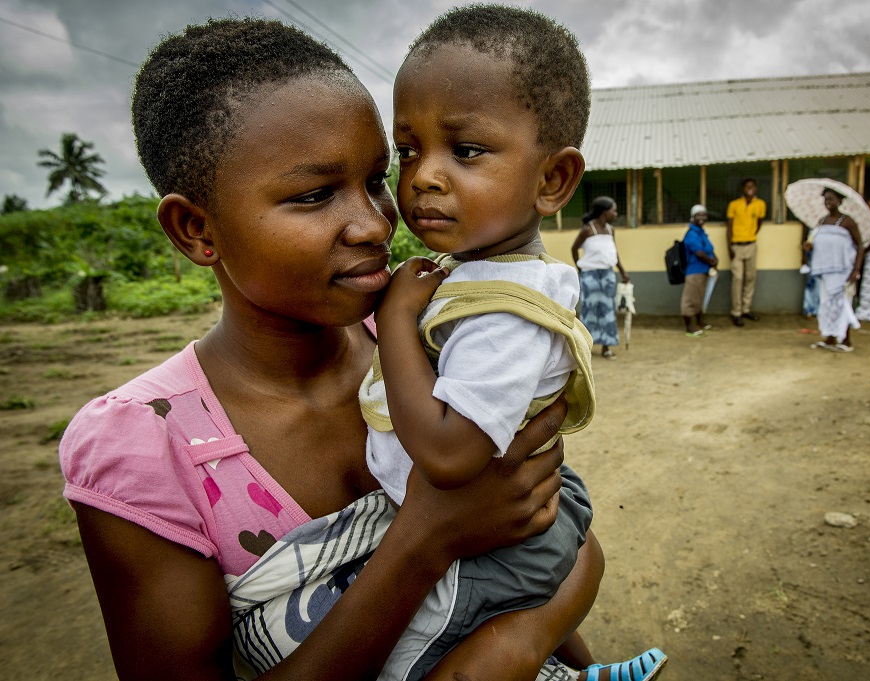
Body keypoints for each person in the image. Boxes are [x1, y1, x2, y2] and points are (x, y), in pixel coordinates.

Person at [56, 17, 642, 681]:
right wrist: (428, 536)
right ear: (195, 228)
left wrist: (530, 639)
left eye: (374, 179)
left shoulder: (425, 336)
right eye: (313, 195)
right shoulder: (147, 452)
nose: (376, 223)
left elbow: (549, 544)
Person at [362, 6, 663, 679]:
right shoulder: (480, 274)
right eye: (408, 151)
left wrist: (395, 326)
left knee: (411, 659)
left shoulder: (508, 309)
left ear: (552, 180)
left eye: (465, 151)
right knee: (531, 614)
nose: (423, 177)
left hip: (493, 540)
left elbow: (447, 452)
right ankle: (585, 671)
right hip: (516, 513)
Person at [806, 188, 865, 352]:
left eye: (831, 199)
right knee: (826, 304)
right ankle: (830, 337)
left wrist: (856, 269)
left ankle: (845, 339)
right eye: (825, 200)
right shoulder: (822, 221)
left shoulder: (848, 222)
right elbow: (815, 243)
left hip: (843, 271)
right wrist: (809, 247)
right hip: (825, 271)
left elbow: (860, 245)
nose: (828, 203)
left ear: (839, 201)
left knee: (842, 304)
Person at [572, 196, 631, 359]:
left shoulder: (611, 230)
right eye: (614, 210)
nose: (616, 214)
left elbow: (614, 253)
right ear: (604, 212)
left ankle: (606, 347)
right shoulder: (587, 229)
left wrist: (623, 272)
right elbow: (574, 248)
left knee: (607, 311)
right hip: (590, 274)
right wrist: (580, 268)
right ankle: (586, 347)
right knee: (589, 310)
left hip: (607, 274)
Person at [726, 177, 767, 326]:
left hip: (751, 245)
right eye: (747, 186)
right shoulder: (734, 205)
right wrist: (729, 246)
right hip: (736, 245)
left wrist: (750, 236)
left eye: (752, 186)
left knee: (750, 277)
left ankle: (746, 309)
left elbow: (759, 223)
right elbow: (729, 227)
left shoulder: (760, 204)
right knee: (737, 279)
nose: (750, 188)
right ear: (743, 189)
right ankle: (736, 312)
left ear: (756, 188)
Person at [680, 204, 718, 336]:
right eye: (698, 215)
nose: (702, 217)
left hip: (704, 271)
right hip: (694, 271)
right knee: (690, 299)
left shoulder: (701, 232)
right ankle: (689, 327)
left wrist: (714, 260)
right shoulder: (691, 234)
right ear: (692, 217)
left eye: (704, 214)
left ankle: (700, 322)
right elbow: (699, 252)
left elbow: (709, 249)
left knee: (700, 298)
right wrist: (711, 261)